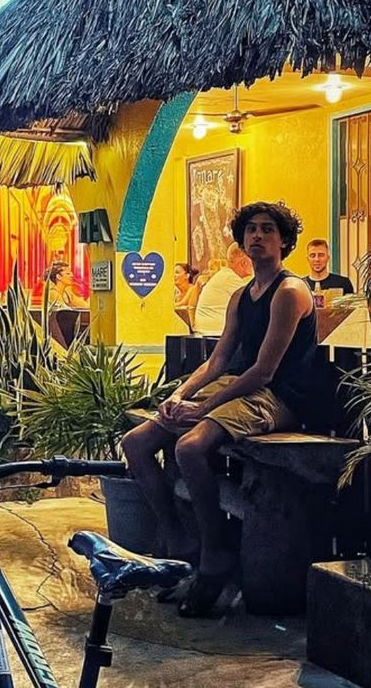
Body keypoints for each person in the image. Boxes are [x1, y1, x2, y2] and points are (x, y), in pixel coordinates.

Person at [122, 201, 317, 617]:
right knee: (136, 443)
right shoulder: (241, 295)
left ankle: (214, 555)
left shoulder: (290, 292)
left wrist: (203, 409)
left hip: (278, 397)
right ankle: (179, 541)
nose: (258, 236)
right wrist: (179, 396)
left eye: (268, 229)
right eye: (251, 229)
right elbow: (217, 361)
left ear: (284, 241)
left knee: (190, 447)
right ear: (241, 240)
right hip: (238, 387)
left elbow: (264, 371)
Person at [192, 243, 252, 335]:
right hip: (214, 333)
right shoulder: (229, 278)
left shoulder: (225, 275)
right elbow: (251, 302)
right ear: (244, 262)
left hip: (209, 332)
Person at [173, 263, 202, 332]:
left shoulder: (192, 289)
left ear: (187, 276)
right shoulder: (175, 293)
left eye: (177, 272)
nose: (174, 275)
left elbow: (182, 303)